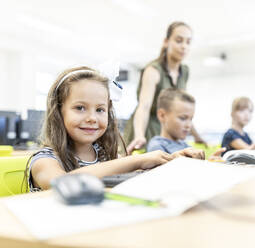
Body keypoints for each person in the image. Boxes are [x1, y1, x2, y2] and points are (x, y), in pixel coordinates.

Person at [25, 67, 204, 192]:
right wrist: (137, 160)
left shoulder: (104, 156)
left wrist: (173, 160)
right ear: (58, 111)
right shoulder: (44, 160)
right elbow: (62, 183)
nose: (92, 118)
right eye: (80, 108)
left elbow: (142, 177)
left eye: (100, 109)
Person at [124, 21, 206, 154]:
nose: (184, 46)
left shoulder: (184, 71)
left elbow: (183, 109)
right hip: (147, 128)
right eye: (179, 40)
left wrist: (197, 137)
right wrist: (139, 135)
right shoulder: (153, 70)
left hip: (168, 126)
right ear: (166, 41)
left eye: (188, 42)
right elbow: (144, 106)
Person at [147, 88, 224, 160]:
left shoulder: (185, 145)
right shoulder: (156, 146)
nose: (189, 125)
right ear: (162, 115)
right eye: (183, 118)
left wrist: (210, 162)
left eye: (191, 119)